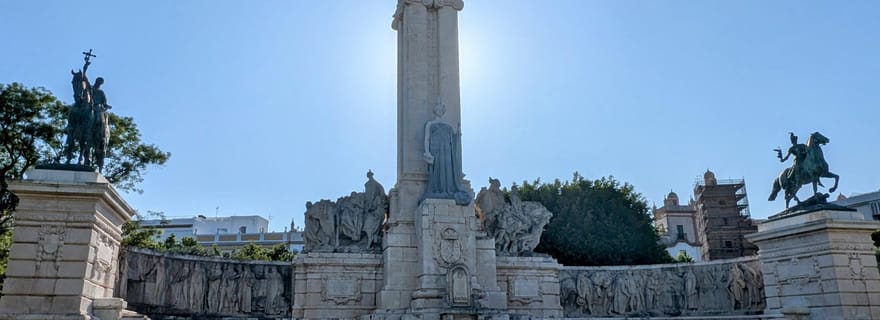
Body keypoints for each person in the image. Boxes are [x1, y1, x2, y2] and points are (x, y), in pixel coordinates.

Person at [423, 102, 470, 205]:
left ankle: (447, 189)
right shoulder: (430, 124)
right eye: (437, 108)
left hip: (447, 150)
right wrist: (427, 152)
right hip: (435, 149)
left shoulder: (448, 125)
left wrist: (458, 133)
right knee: (436, 170)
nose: (439, 110)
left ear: (443, 112)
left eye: (441, 109)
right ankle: (437, 189)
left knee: (447, 170)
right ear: (434, 110)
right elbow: (427, 138)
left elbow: (453, 139)